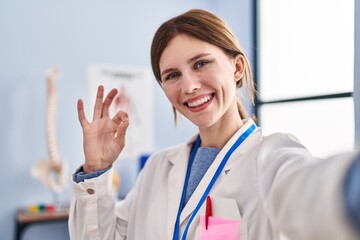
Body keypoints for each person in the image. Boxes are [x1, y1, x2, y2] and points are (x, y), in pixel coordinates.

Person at [69, 9, 360, 240]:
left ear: (236, 67)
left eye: (201, 64)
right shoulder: (157, 169)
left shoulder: (270, 157)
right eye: (171, 75)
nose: (189, 86)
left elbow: (307, 191)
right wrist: (96, 168)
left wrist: (349, 185)